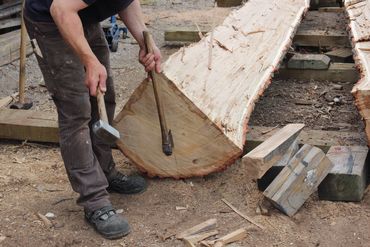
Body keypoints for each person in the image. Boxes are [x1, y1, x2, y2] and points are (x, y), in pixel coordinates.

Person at [24, 0, 162, 239]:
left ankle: (106, 172)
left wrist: (143, 38)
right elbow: (61, 9)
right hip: (51, 21)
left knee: (104, 95)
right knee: (76, 110)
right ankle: (94, 200)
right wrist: (89, 61)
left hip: (82, 16)